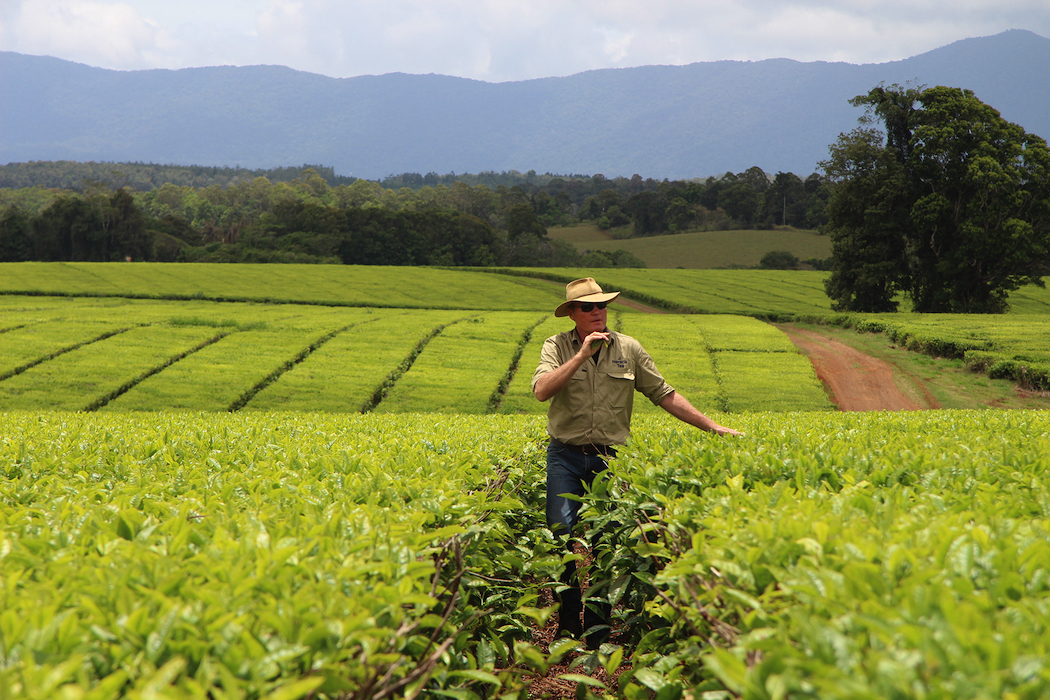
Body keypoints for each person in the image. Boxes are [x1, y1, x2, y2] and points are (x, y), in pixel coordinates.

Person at [532, 277, 741, 649]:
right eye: (588, 307)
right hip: (564, 455)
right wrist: (580, 355)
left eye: (602, 306)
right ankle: (567, 621)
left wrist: (712, 426)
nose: (597, 312)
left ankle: (597, 630)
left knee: (604, 541)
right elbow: (541, 390)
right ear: (574, 314)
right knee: (560, 535)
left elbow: (664, 394)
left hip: (610, 459)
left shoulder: (629, 348)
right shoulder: (557, 346)